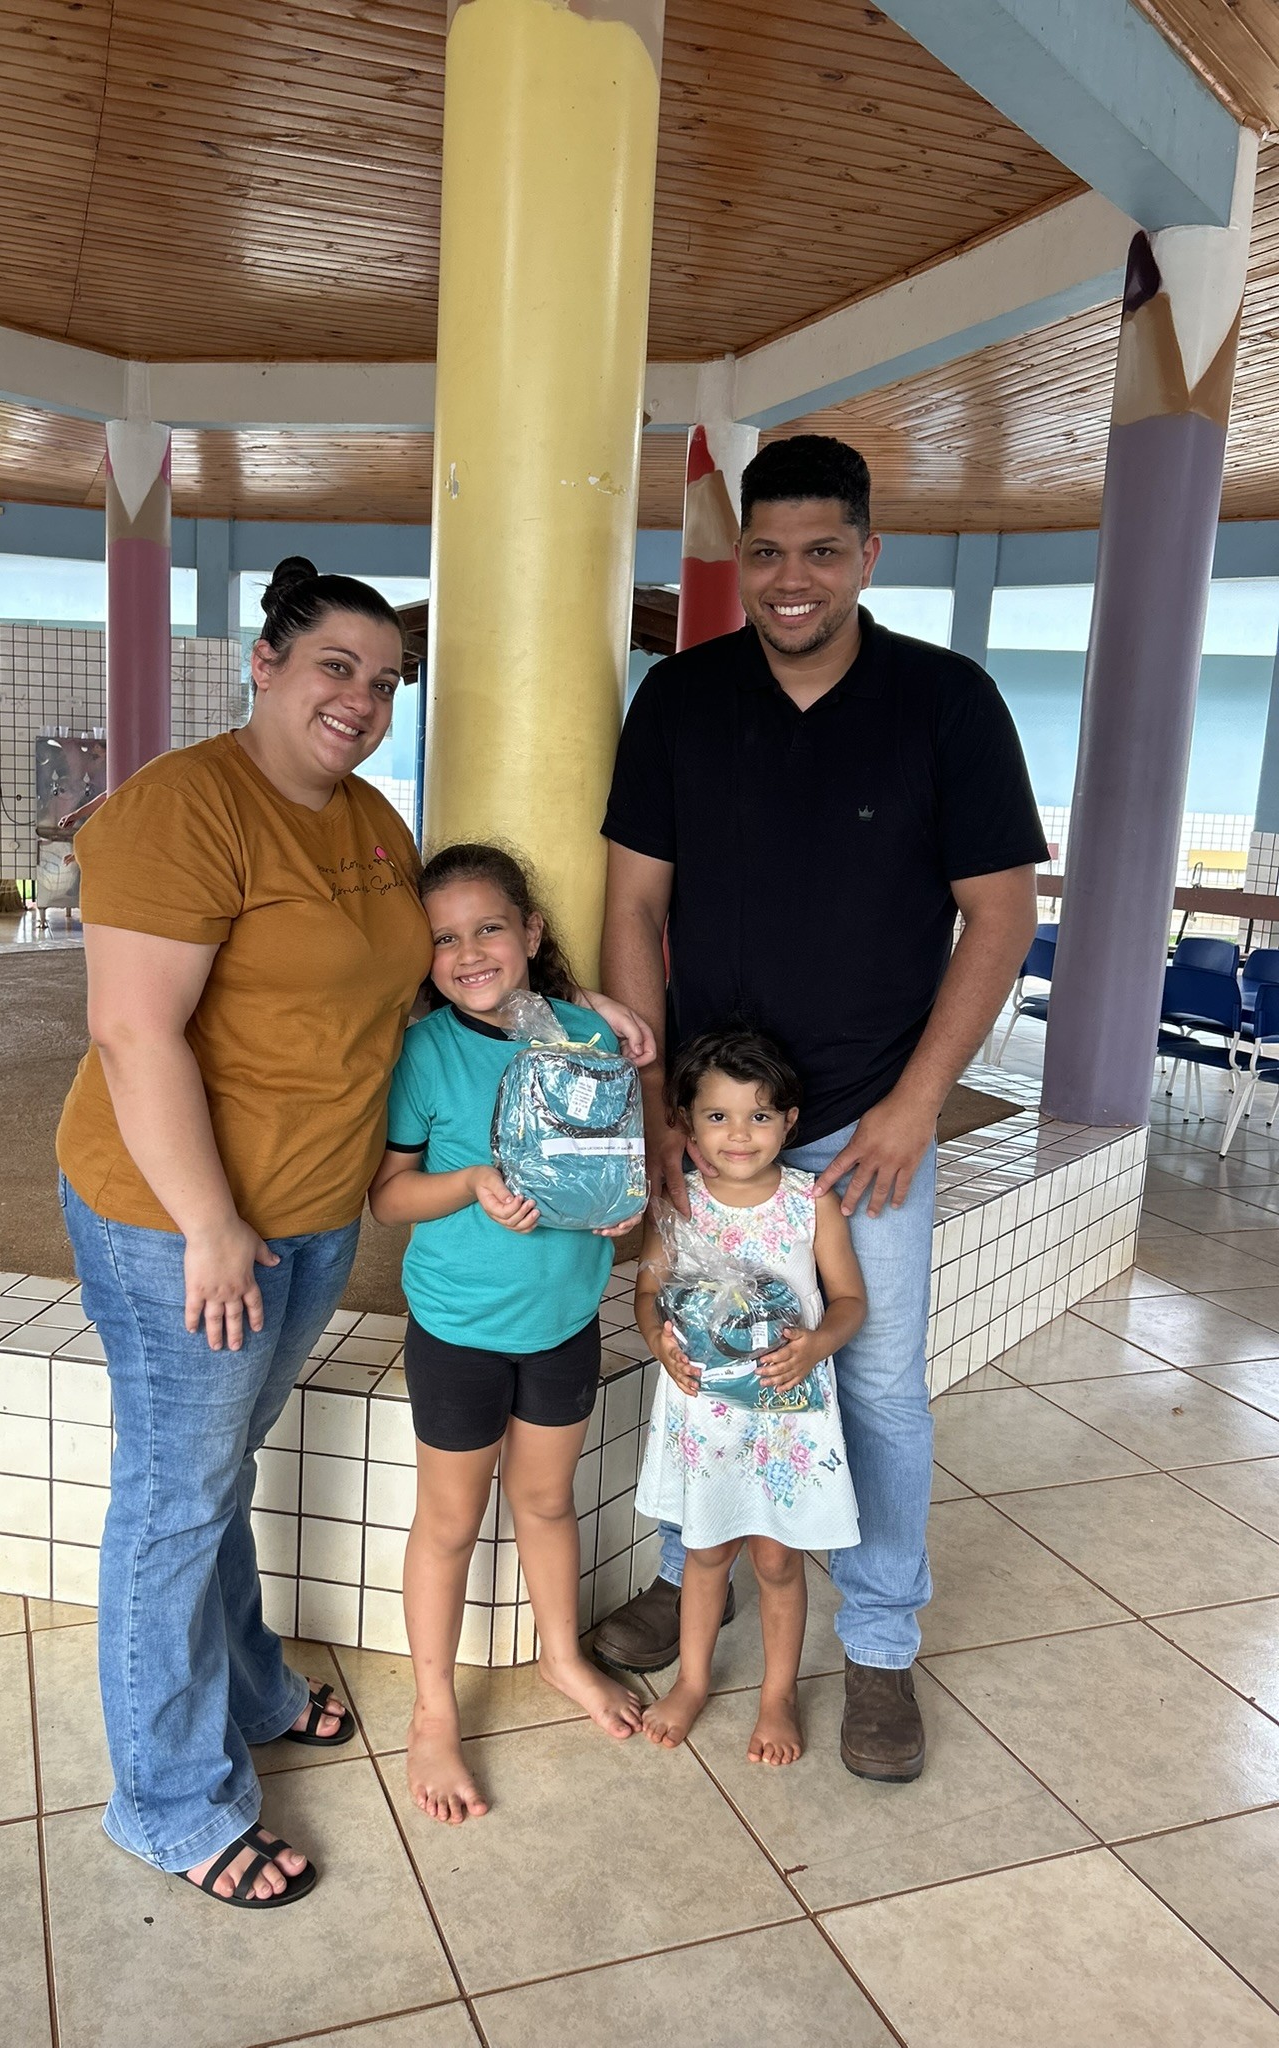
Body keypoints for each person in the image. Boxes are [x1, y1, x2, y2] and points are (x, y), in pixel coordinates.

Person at [55, 561, 653, 1908]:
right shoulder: (181, 808)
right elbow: (132, 1030)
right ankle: (172, 1805)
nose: (363, 700)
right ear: (264, 662)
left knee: (217, 1472)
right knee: (174, 1498)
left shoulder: (371, 823)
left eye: (385, 682)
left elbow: (435, 986)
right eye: (336, 666)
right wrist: (210, 1222)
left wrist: (580, 1023)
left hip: (310, 1214)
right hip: (180, 1221)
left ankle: (255, 1689)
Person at [596, 435, 1046, 1784]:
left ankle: (882, 1641)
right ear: (741, 558)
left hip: (863, 1128)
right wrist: (655, 1103)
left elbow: (1000, 914)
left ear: (868, 554)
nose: (792, 579)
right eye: (768, 553)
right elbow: (632, 905)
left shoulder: (946, 702)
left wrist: (919, 1104)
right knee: (702, 1350)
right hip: (712, 1124)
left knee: (879, 1386)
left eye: (822, 551)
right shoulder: (682, 699)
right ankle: (694, 1572)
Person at [369, 844, 648, 1825]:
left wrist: (620, 1208)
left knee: (546, 1502)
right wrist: (469, 1183)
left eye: (489, 927)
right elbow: (389, 1195)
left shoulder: (589, 1035)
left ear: (531, 931)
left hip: (565, 1320)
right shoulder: (425, 1053)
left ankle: (561, 1654)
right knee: (449, 1523)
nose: (469, 952)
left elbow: (613, 1165)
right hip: (459, 1327)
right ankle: (433, 1711)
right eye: (443, 938)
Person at [633, 1027, 865, 1764]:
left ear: (789, 1122)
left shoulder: (811, 1204)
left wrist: (817, 1345)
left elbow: (850, 1300)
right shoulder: (678, 1203)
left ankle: (777, 1696)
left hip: (785, 1418)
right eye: (718, 1116)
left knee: (776, 1561)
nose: (739, 1135)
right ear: (686, 1122)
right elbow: (647, 1294)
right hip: (706, 1416)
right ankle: (692, 1681)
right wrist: (659, 1341)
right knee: (704, 1553)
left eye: (759, 1116)